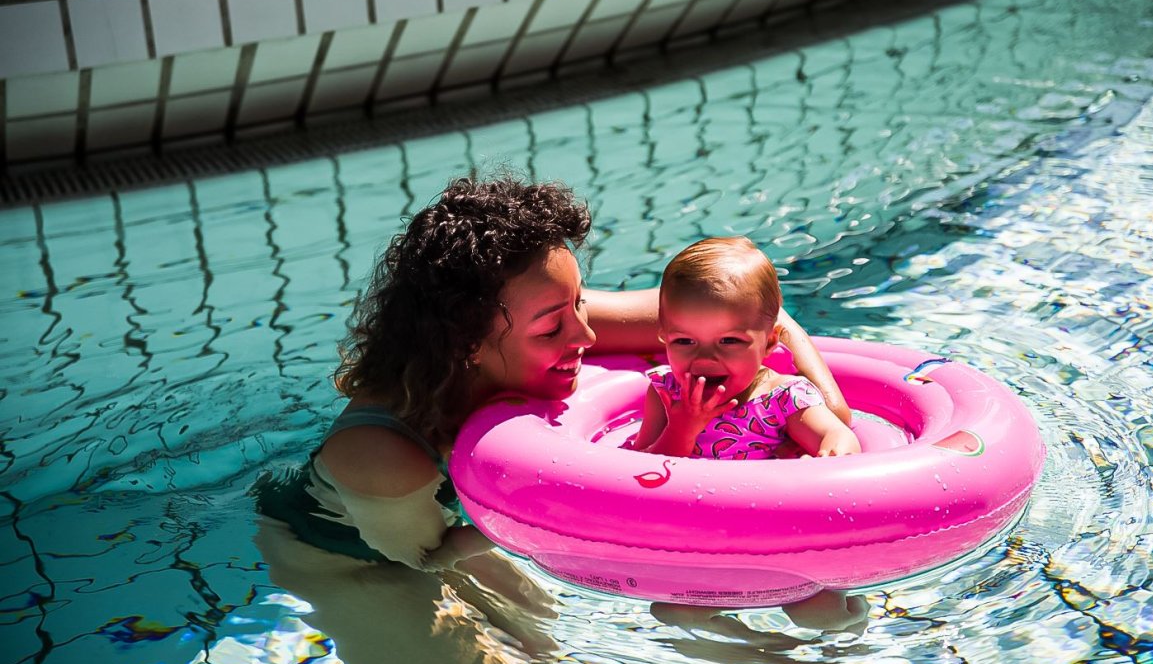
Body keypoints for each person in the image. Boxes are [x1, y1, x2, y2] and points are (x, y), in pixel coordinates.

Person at [262, 177, 850, 570]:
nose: (587, 337)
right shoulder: (381, 454)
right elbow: (421, 560)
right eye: (552, 328)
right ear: (467, 339)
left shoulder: (530, 311)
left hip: (459, 529)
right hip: (351, 556)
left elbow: (769, 319)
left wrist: (832, 417)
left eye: (581, 306)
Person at [631, 236, 860, 460]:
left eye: (729, 341)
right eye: (684, 341)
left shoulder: (782, 400)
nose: (705, 358)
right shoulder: (666, 393)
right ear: (665, 338)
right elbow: (638, 466)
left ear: (769, 342)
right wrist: (680, 430)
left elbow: (836, 433)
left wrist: (832, 454)